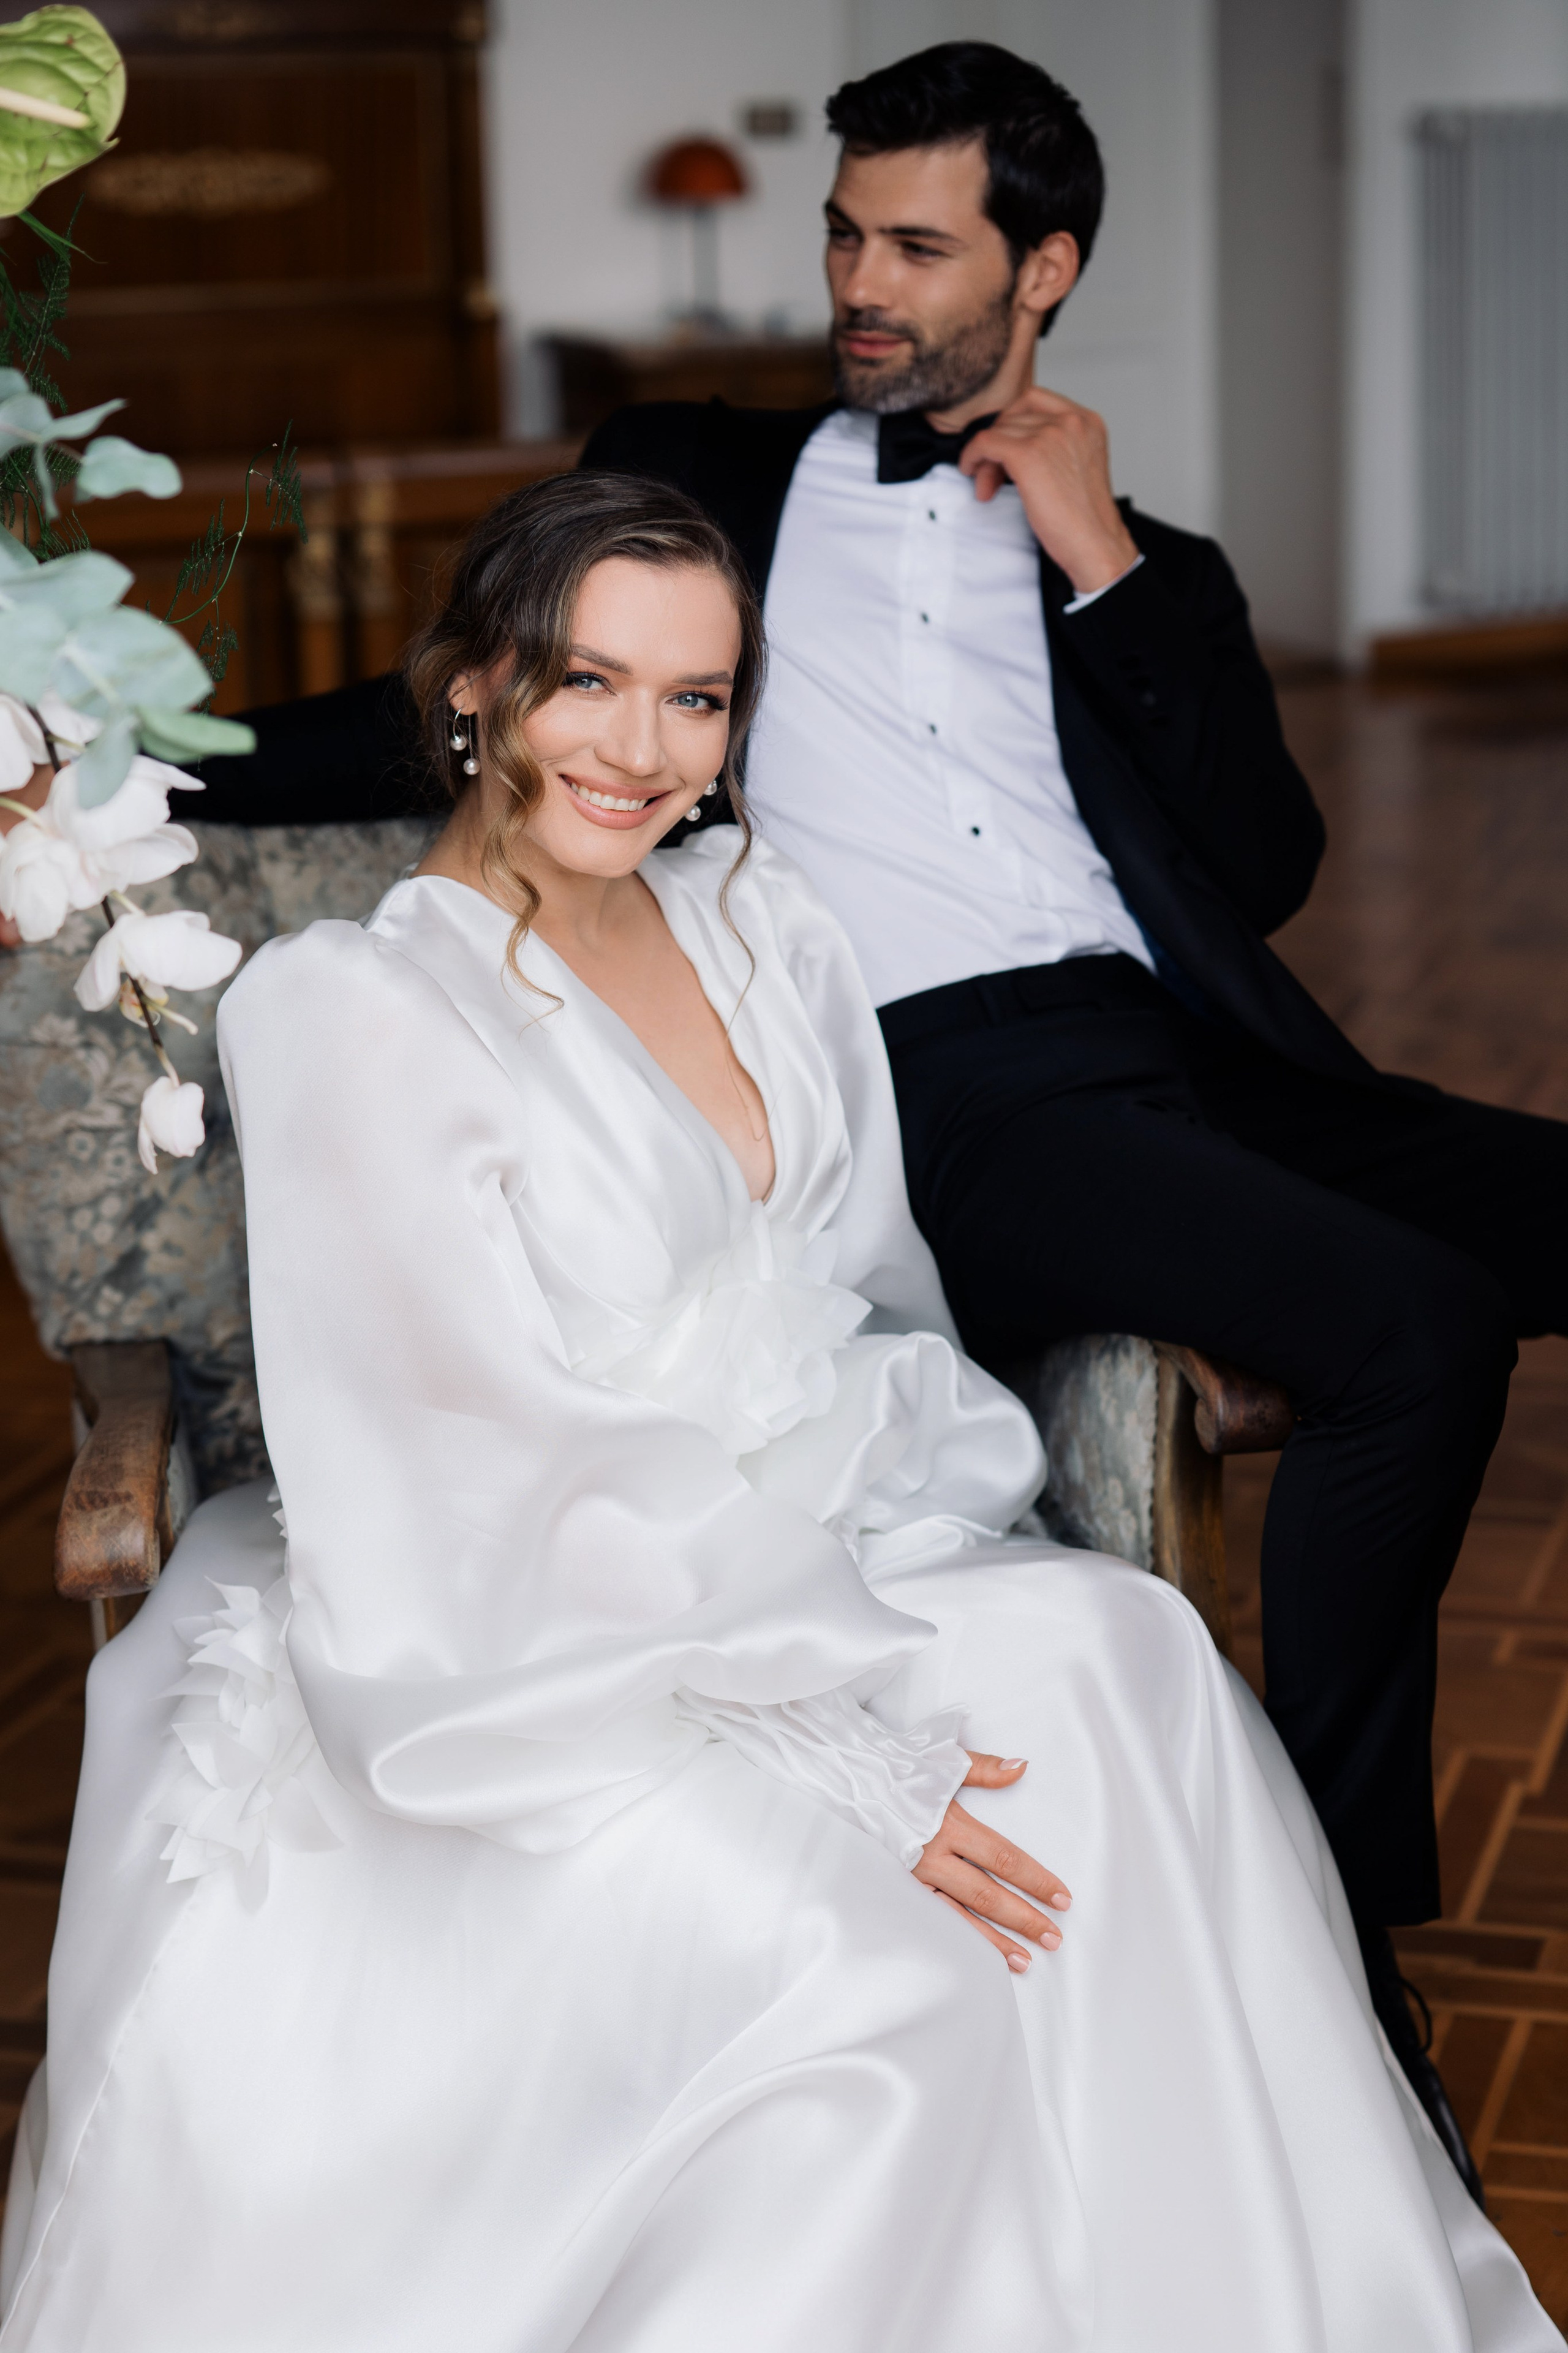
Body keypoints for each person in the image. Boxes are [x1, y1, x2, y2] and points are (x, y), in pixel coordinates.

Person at [87, 39, 1568, 2192]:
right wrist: (118, 766)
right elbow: (471, 693)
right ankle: (1355, 1947)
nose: (860, 285)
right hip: (948, 1077)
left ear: (1045, 271)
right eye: (845, 235)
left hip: (1183, 1049)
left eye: (919, 248)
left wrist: (1103, 561)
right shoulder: (692, 478)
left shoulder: (1158, 562)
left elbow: (1259, 866)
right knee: (1412, 1327)